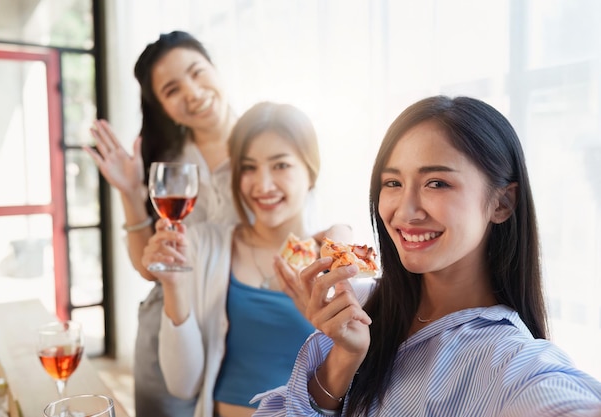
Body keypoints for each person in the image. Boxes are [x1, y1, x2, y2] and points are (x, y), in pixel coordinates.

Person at [252, 95, 601, 416]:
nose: (406, 212)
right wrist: (343, 359)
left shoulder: (513, 361)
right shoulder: (358, 306)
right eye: (392, 183)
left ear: (503, 203)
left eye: (437, 183)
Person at [140, 101, 355, 417]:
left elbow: (358, 381)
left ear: (310, 171)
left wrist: (341, 239)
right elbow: (182, 385)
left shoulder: (337, 261)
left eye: (280, 165)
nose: (262, 185)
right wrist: (174, 284)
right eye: (249, 167)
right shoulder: (204, 246)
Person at [84, 31, 239, 417]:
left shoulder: (267, 146)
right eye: (172, 89)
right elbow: (149, 268)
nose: (192, 92)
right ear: (163, 107)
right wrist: (130, 190)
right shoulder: (167, 161)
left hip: (242, 325)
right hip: (170, 323)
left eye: (197, 73)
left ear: (216, 70)